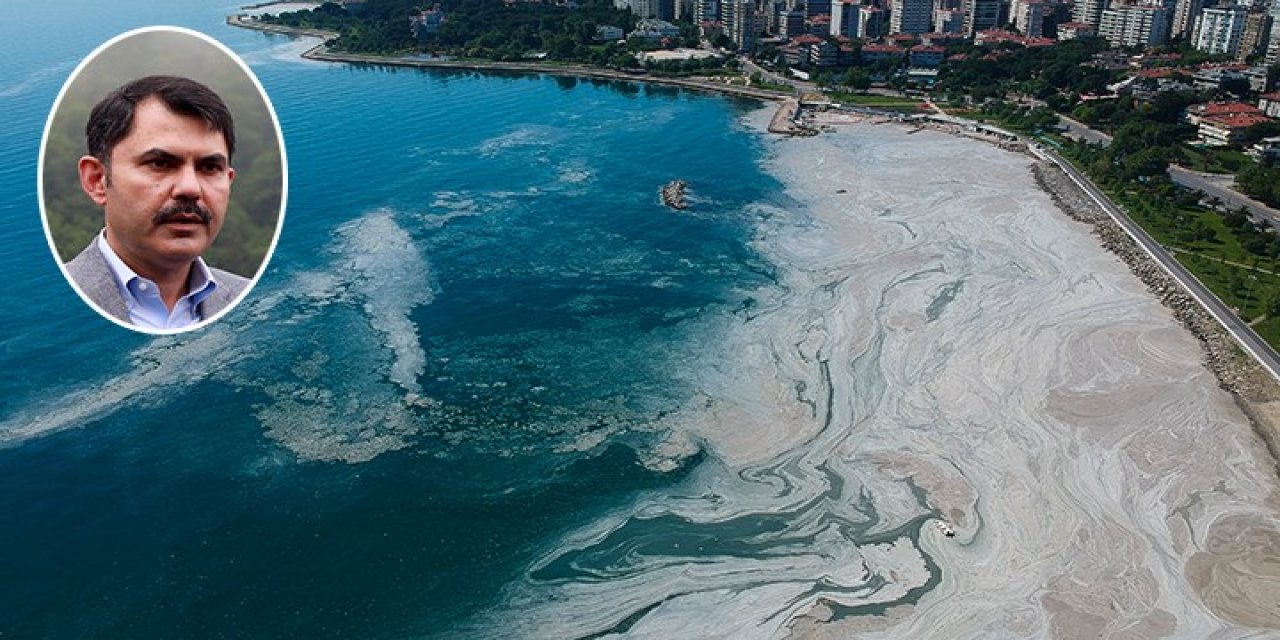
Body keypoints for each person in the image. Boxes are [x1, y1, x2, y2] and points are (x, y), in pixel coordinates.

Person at [64, 75, 249, 330]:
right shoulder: (43, 310)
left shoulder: (254, 300)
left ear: (228, 181)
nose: (190, 188)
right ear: (97, 180)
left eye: (209, 167)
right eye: (160, 164)